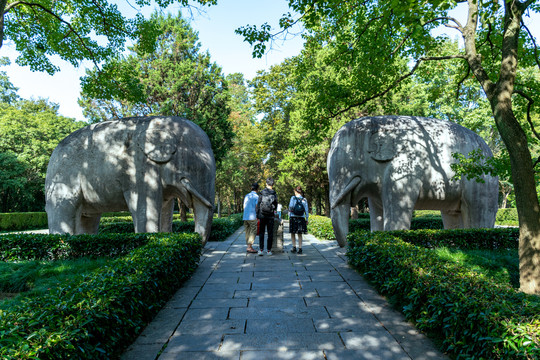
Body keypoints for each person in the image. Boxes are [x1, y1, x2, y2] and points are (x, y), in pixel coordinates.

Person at [256, 177, 278, 255]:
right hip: (270, 215)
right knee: (270, 233)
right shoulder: (274, 194)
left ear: (266, 184)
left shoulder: (262, 192)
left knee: (261, 232)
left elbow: (258, 204)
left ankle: (261, 250)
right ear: (273, 184)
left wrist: (257, 215)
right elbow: (275, 205)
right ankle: (269, 250)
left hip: (262, 215)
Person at [288, 186, 309, 254]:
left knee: (293, 232)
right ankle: (300, 248)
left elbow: (291, 207)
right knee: (300, 233)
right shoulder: (304, 199)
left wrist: (289, 214)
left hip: (293, 217)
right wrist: (307, 218)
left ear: (295, 191)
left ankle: (294, 247)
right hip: (301, 217)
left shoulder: (293, 198)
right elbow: (306, 210)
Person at [242, 182, 259, 253]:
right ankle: (249, 247)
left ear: (251, 188)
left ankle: (248, 246)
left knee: (247, 231)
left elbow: (244, 206)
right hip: (252, 217)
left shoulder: (247, 196)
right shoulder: (257, 197)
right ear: (257, 189)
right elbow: (256, 207)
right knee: (253, 231)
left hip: (245, 216)